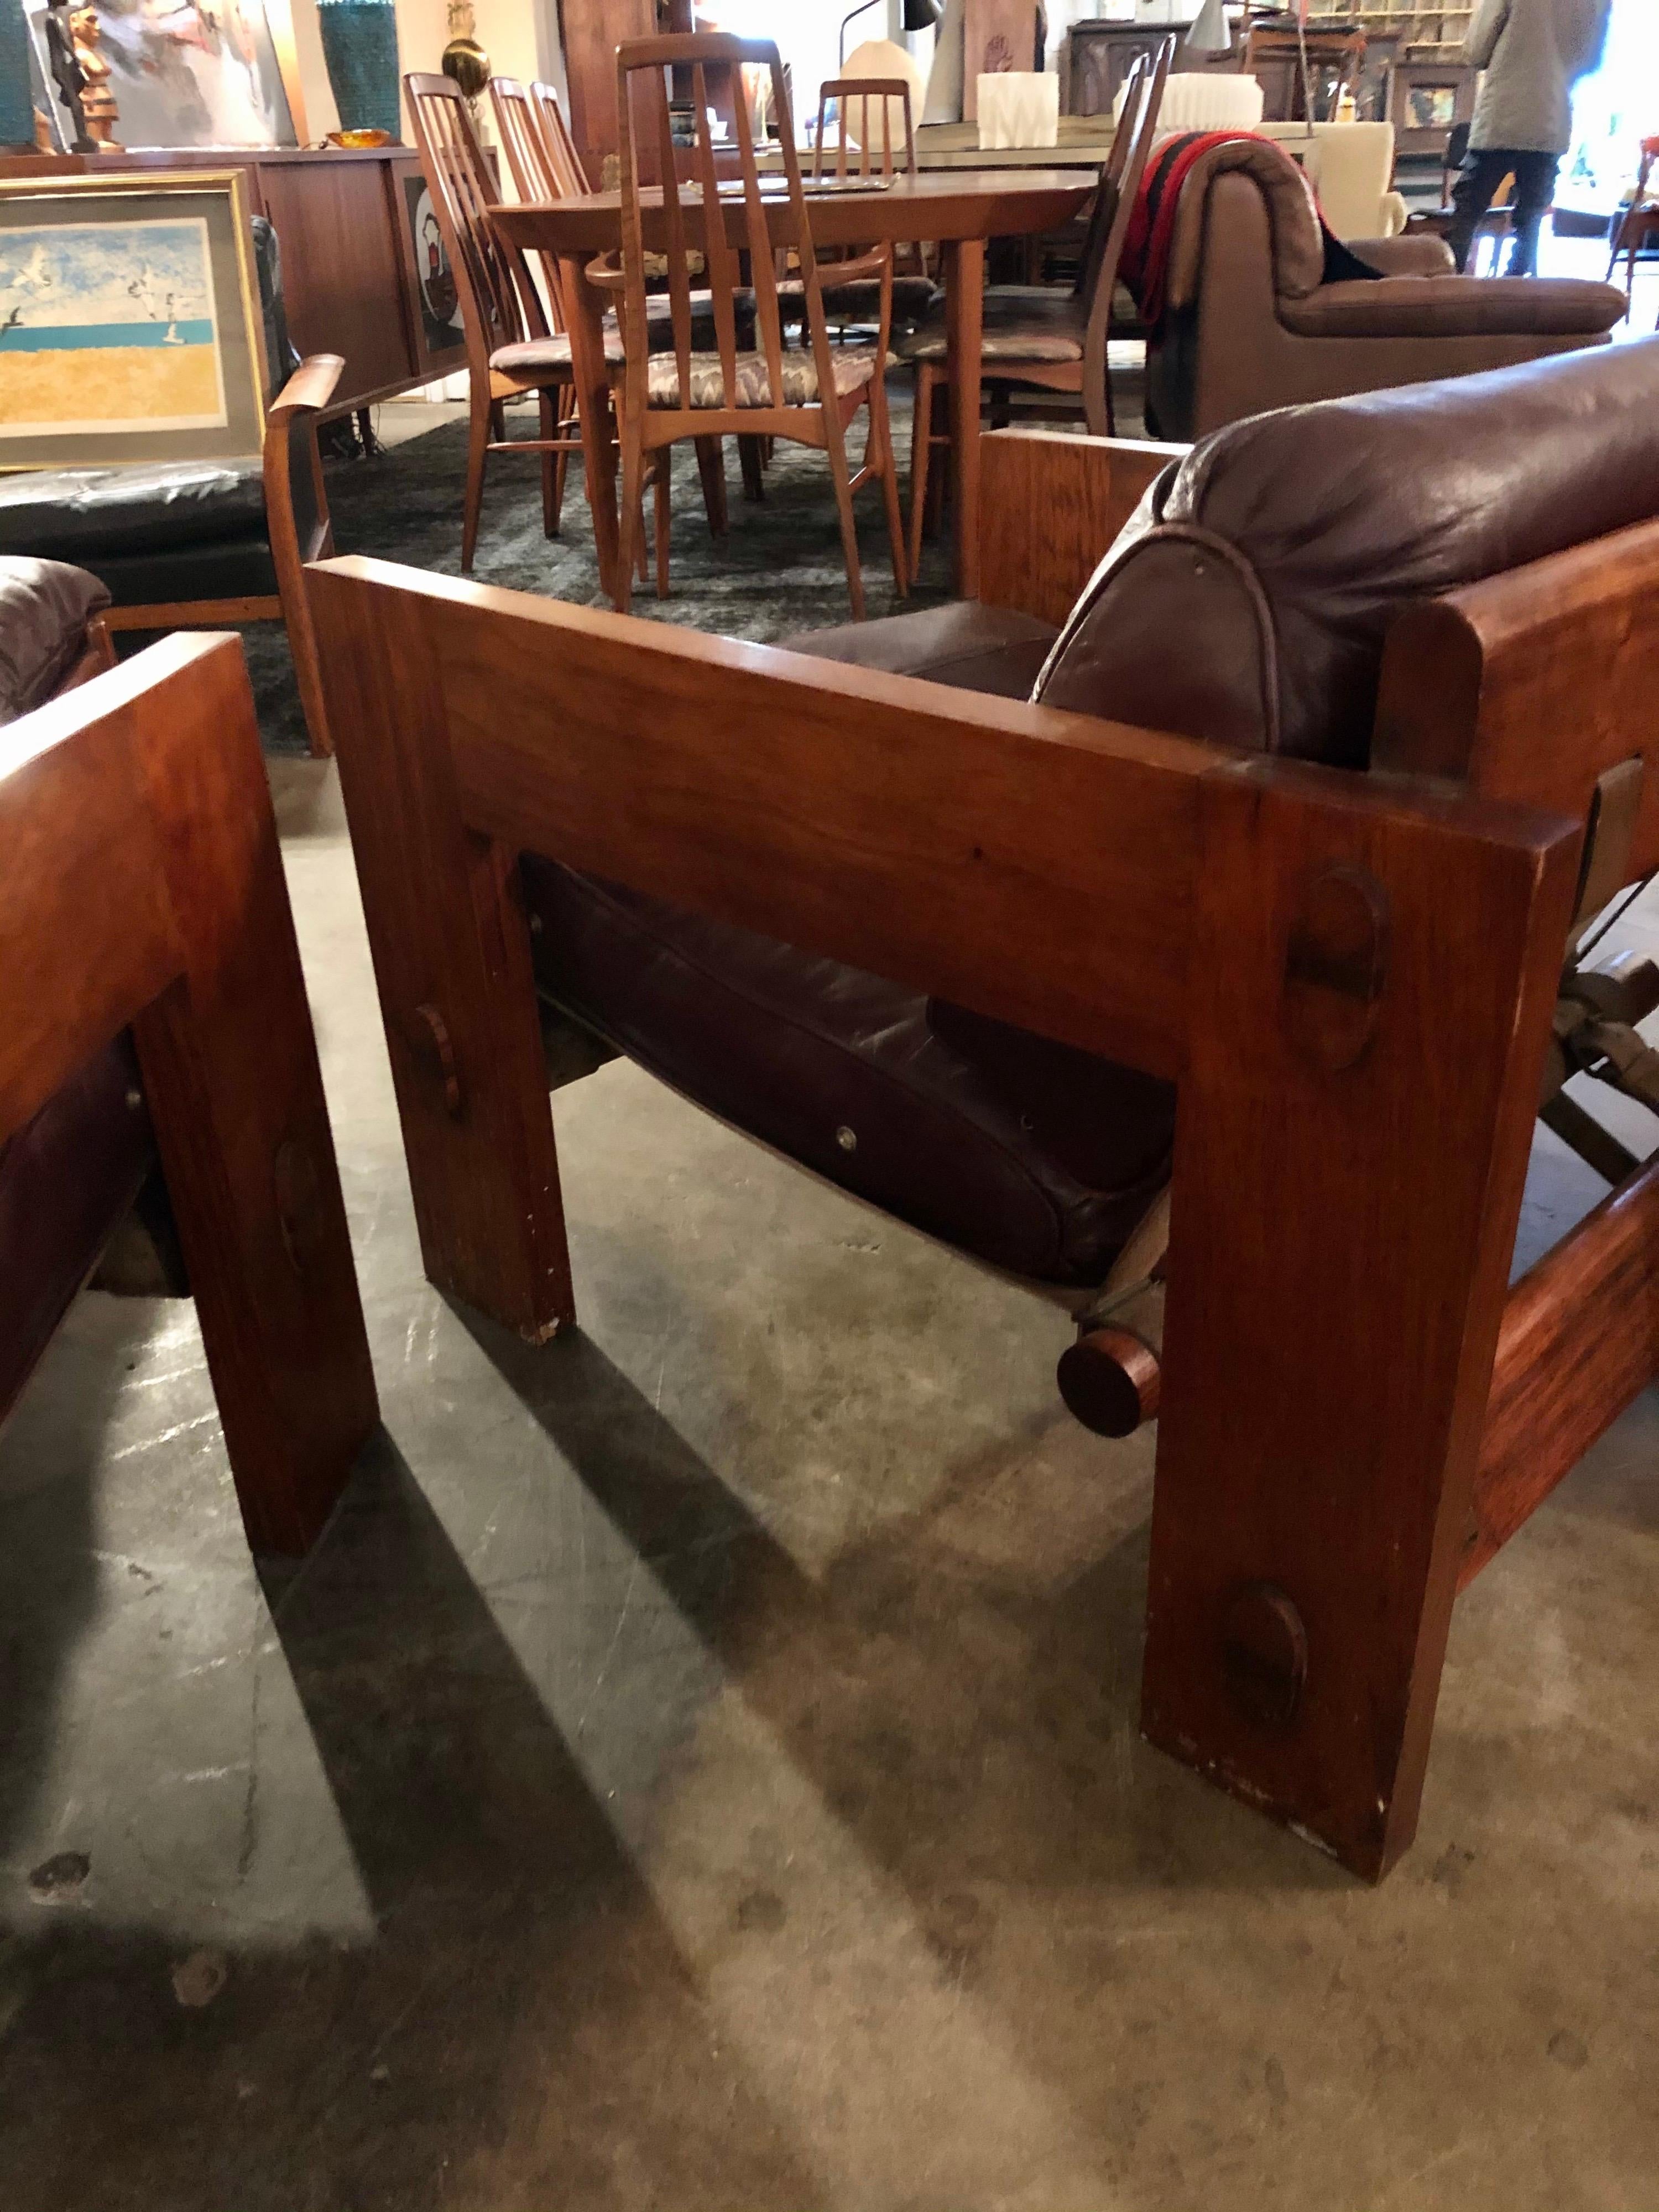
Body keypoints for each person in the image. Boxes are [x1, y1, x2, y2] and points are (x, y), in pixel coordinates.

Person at [1449, 0, 1613, 275]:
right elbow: (1592, 61)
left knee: (1469, 211)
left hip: (1503, 112)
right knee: (1531, 218)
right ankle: (1519, 298)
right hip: (1552, 115)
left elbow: (1477, 51)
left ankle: (1446, 294)